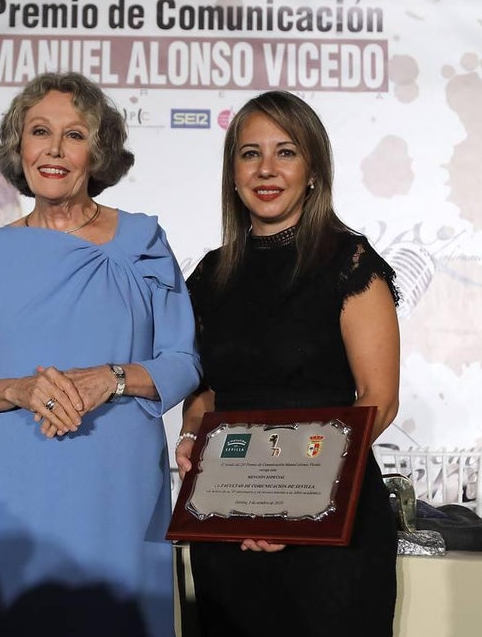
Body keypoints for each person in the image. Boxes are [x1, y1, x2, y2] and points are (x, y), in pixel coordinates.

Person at [0, 72, 200, 637]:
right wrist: (18, 389)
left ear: (98, 150)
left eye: (74, 134)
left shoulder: (142, 242)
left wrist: (110, 378)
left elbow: (183, 362)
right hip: (18, 479)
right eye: (40, 132)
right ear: (20, 148)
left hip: (118, 479)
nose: (54, 150)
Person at [176, 90, 400, 637]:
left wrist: (297, 504)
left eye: (286, 152)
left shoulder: (349, 261)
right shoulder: (210, 274)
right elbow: (206, 391)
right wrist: (188, 436)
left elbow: (379, 397)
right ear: (233, 173)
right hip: (228, 517)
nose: (267, 169)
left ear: (314, 169)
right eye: (250, 153)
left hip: (330, 522)